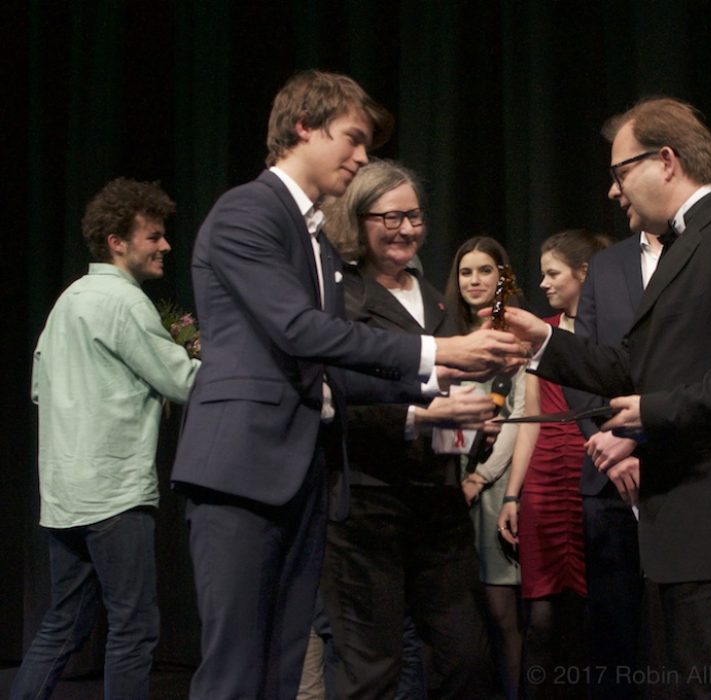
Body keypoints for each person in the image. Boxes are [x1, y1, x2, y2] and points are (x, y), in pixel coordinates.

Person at [170, 71, 522, 699]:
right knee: (234, 668)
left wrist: (436, 377)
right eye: (354, 139)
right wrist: (436, 348)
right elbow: (299, 331)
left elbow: (333, 367)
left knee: (280, 663)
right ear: (305, 127)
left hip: (304, 474)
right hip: (242, 468)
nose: (362, 158)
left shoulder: (319, 244)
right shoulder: (248, 210)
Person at [492, 98, 711, 699]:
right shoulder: (680, 247)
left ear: (667, 160)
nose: (613, 193)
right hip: (688, 528)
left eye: (619, 173)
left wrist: (655, 412)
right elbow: (634, 367)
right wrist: (544, 344)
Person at [318, 159, 500, 698]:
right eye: (390, 217)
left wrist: (474, 420)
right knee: (371, 667)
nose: (405, 229)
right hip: (368, 505)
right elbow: (333, 398)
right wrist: (420, 417)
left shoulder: (438, 299)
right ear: (359, 219)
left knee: (466, 655)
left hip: (438, 501)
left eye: (415, 216)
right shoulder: (342, 300)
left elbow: (452, 385)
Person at [14, 178, 200, 699]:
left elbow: (36, 390)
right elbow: (183, 381)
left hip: (65, 493)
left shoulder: (67, 300)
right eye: (153, 236)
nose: (165, 246)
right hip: (113, 494)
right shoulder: (124, 302)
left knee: (65, 624)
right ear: (117, 242)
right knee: (134, 627)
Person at [498, 229, 610, 698]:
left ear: (583, 273)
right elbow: (530, 420)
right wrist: (511, 493)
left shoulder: (609, 334)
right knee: (541, 617)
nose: (542, 282)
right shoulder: (539, 331)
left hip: (594, 476)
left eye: (552, 272)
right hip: (545, 482)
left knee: (594, 616)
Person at [558, 228, 658, 699]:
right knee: (612, 628)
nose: (616, 191)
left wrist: (637, 441)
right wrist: (607, 444)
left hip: (673, 471)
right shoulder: (608, 267)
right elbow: (581, 369)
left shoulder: (700, 258)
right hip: (604, 480)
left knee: (671, 626)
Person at [445, 235, 527, 699]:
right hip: (450, 483)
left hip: (492, 487)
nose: (474, 280)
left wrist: (482, 477)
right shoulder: (448, 335)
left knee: (502, 614)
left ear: (503, 277)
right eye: (465, 272)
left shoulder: (517, 336)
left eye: (485, 271)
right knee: (460, 616)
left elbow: (519, 417)